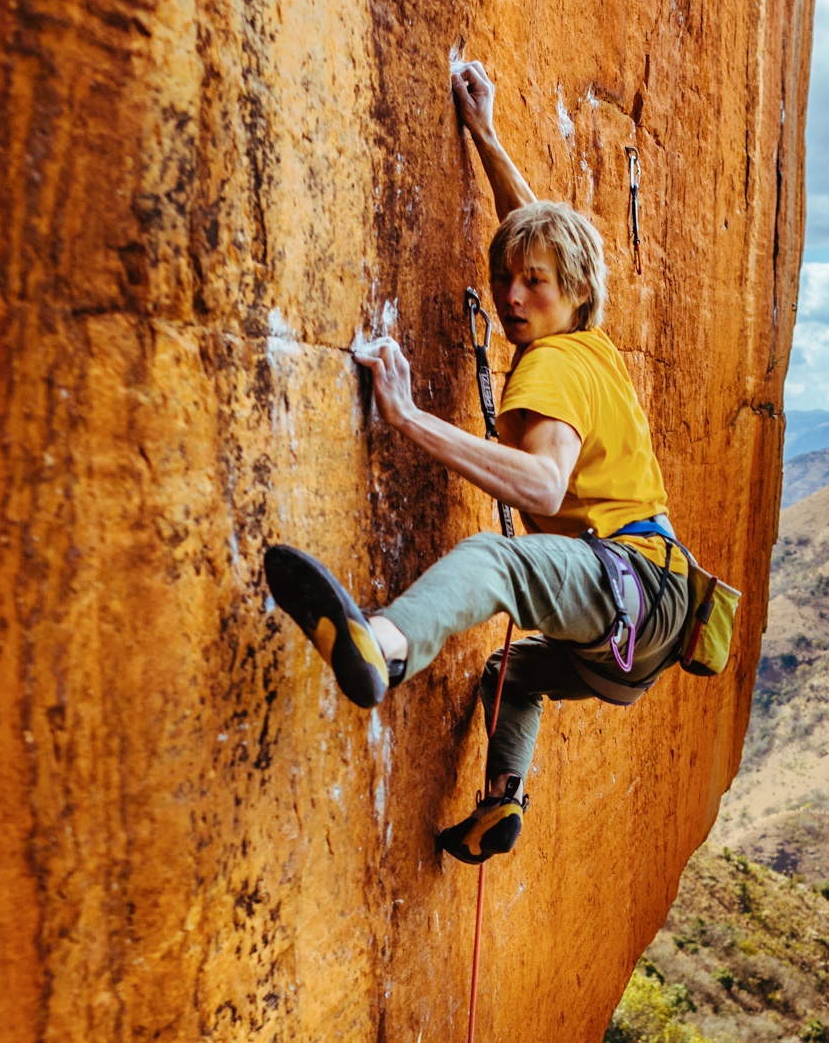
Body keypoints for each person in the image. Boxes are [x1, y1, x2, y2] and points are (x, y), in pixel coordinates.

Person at [264, 60, 690, 865]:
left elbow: (540, 484)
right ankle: (502, 804)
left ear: (571, 293)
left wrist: (408, 416)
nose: (510, 297)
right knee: (513, 674)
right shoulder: (590, 342)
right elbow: (534, 236)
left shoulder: (552, 366)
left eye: (531, 286)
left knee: (495, 558)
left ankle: (383, 648)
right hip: (646, 639)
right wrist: (485, 135)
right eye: (504, 281)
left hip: (628, 585)